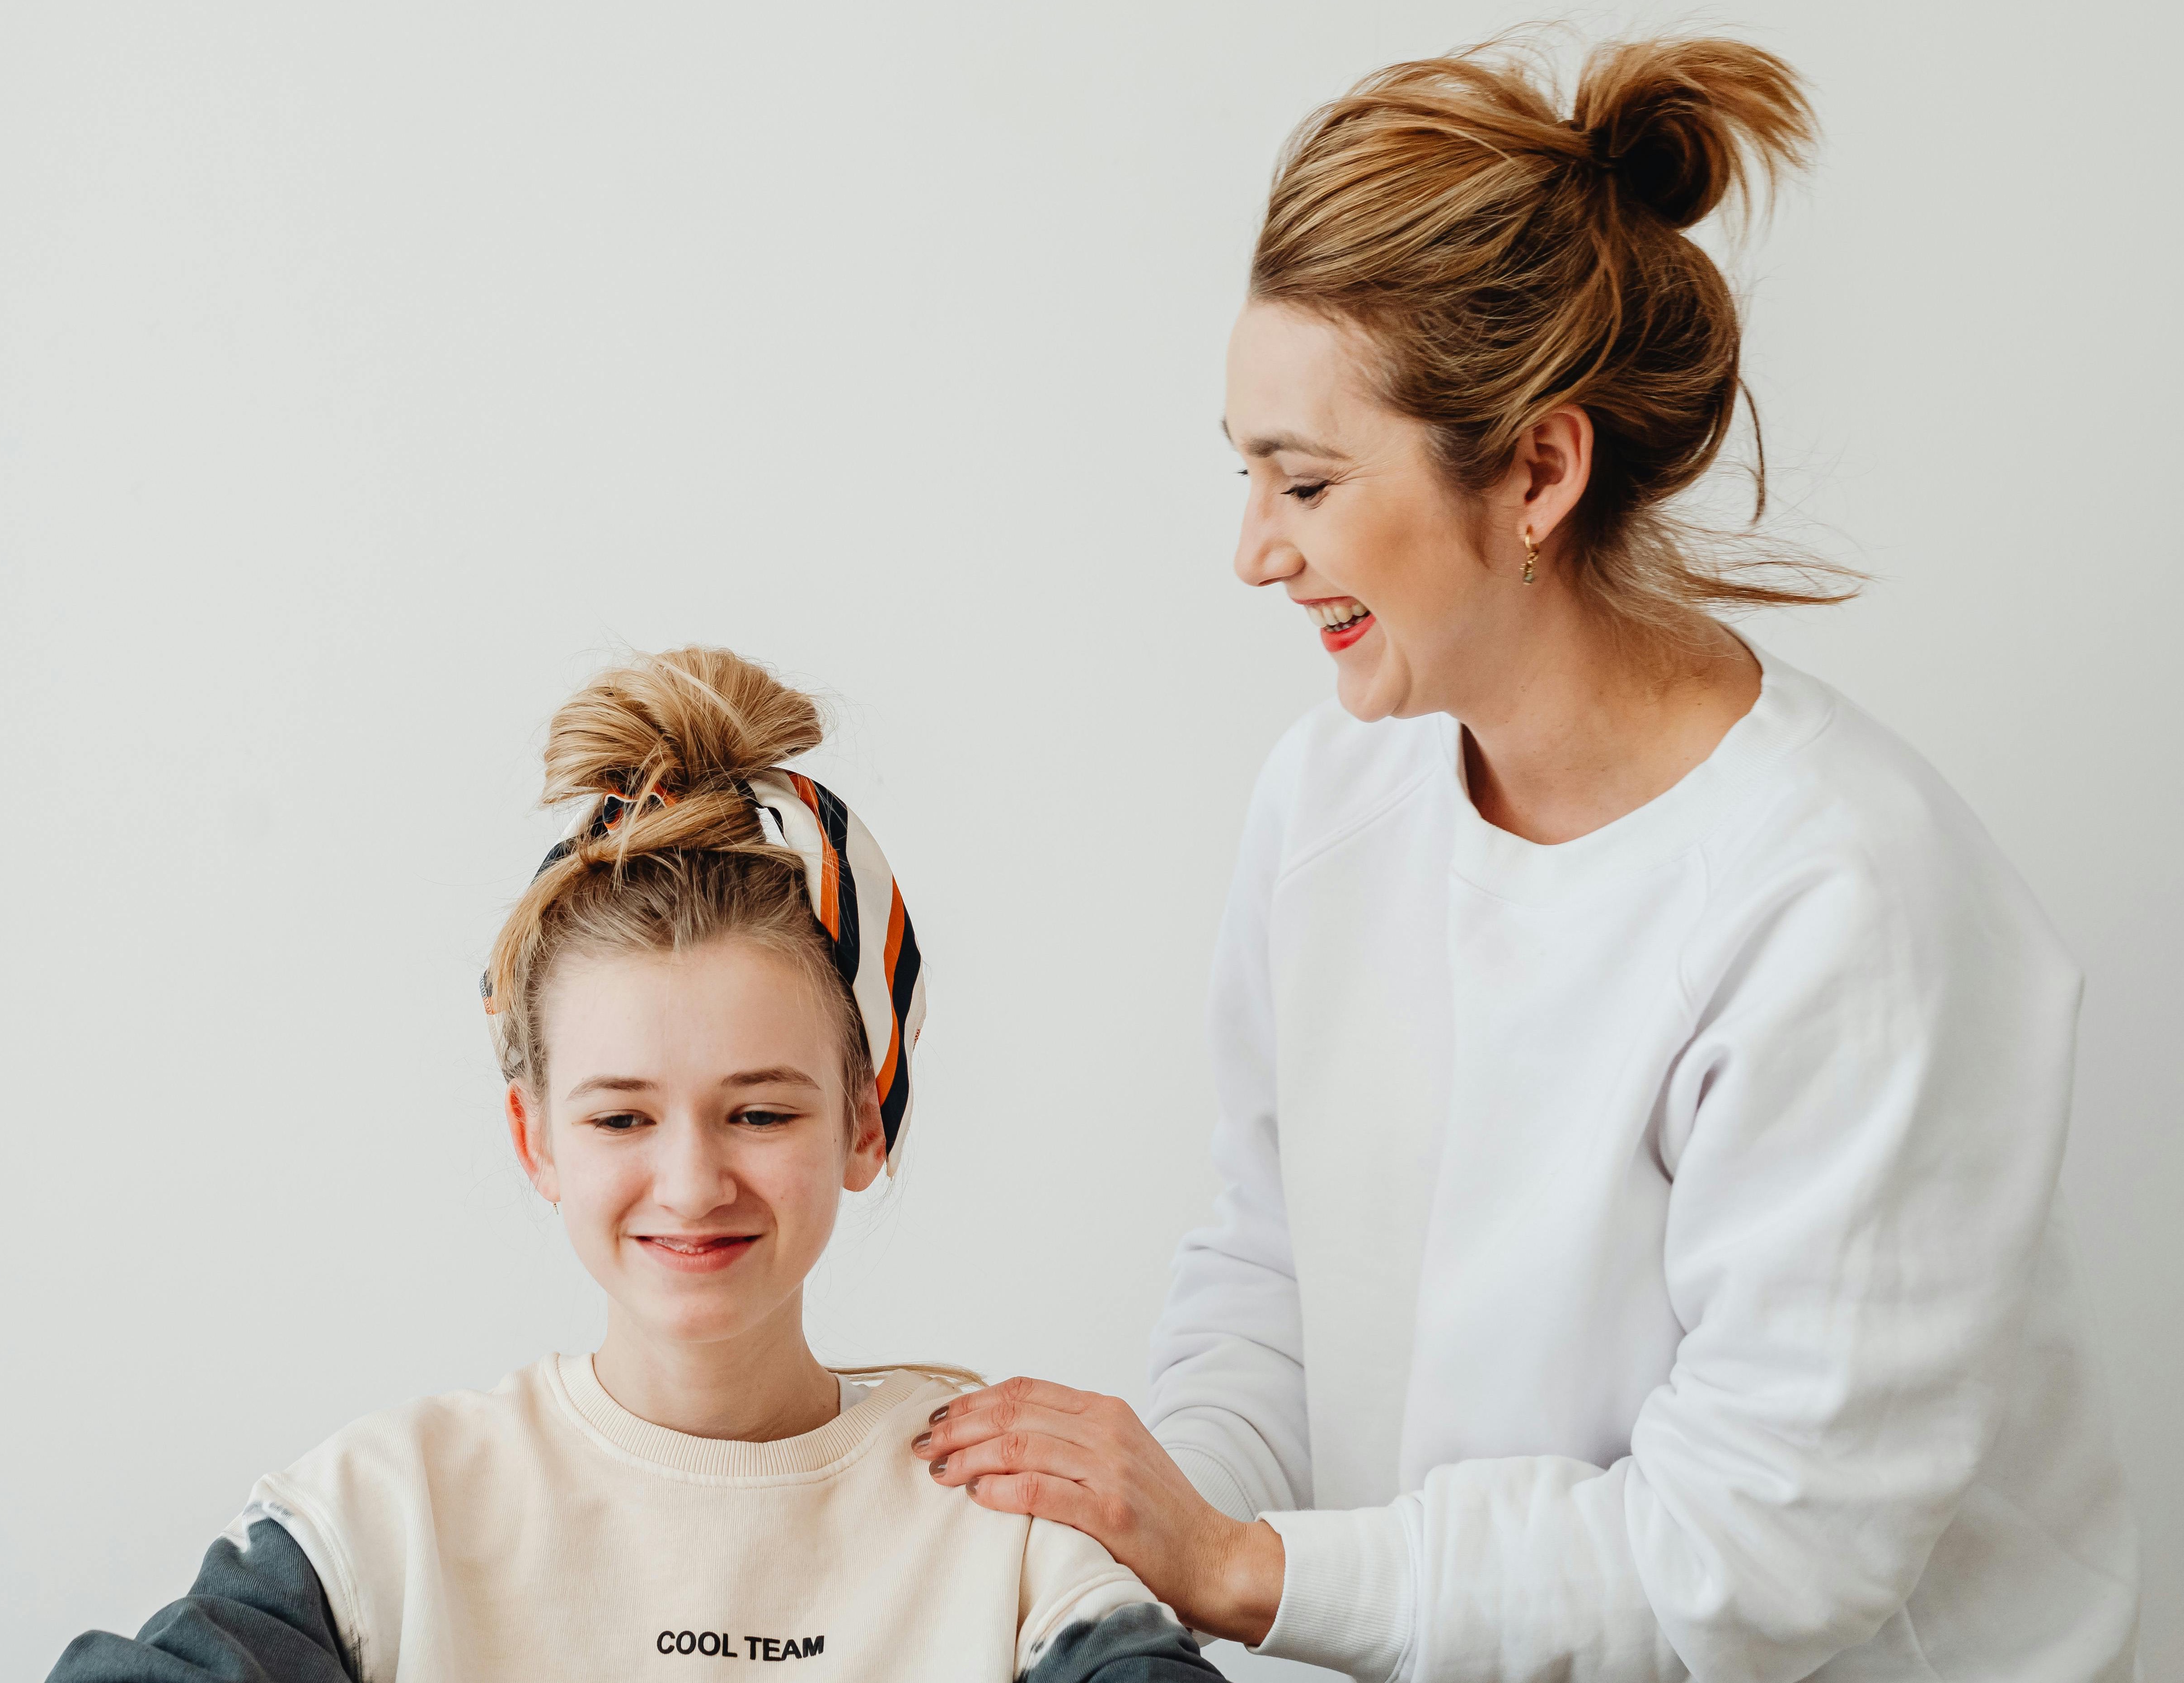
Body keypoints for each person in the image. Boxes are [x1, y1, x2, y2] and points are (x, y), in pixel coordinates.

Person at [909, 33, 2140, 1682]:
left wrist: (1246, 1569)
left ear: (1540, 471)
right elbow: (1268, 1265)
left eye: (1309, 482)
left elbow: (1755, 1557)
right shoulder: (1334, 791)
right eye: (1246, 471)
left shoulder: (1841, 904)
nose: (1254, 550)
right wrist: (1125, 1548)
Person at [45, 647, 1223, 1683]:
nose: (690, 1181)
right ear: (535, 1139)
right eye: (620, 1120)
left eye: (758, 1114)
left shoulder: (1003, 1535)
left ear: (865, 1125)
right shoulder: (386, 1516)